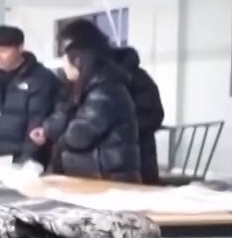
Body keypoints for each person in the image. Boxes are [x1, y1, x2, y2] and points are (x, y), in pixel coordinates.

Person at [42, 39, 142, 238]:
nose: (63, 68)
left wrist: (61, 139)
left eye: (66, 61)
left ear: (79, 62)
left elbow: (81, 134)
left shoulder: (105, 91)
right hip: (92, 178)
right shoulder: (86, 89)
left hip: (109, 177)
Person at [55, 18, 165, 184]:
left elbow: (154, 115)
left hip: (128, 162)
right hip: (100, 164)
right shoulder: (82, 80)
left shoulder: (125, 79)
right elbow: (68, 112)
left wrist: (117, 129)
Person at [0, 25, 57, 163]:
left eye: (3, 51)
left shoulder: (40, 79)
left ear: (20, 48)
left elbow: (38, 121)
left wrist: (26, 161)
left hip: (22, 161)